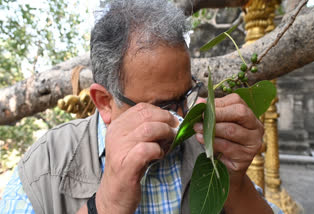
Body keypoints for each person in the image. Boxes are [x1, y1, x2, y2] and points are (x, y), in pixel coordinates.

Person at [0, 0, 284, 213]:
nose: (182, 118)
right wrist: (106, 203)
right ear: (105, 102)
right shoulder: (47, 163)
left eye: (186, 95)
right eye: (162, 106)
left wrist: (234, 184)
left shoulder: (207, 149)